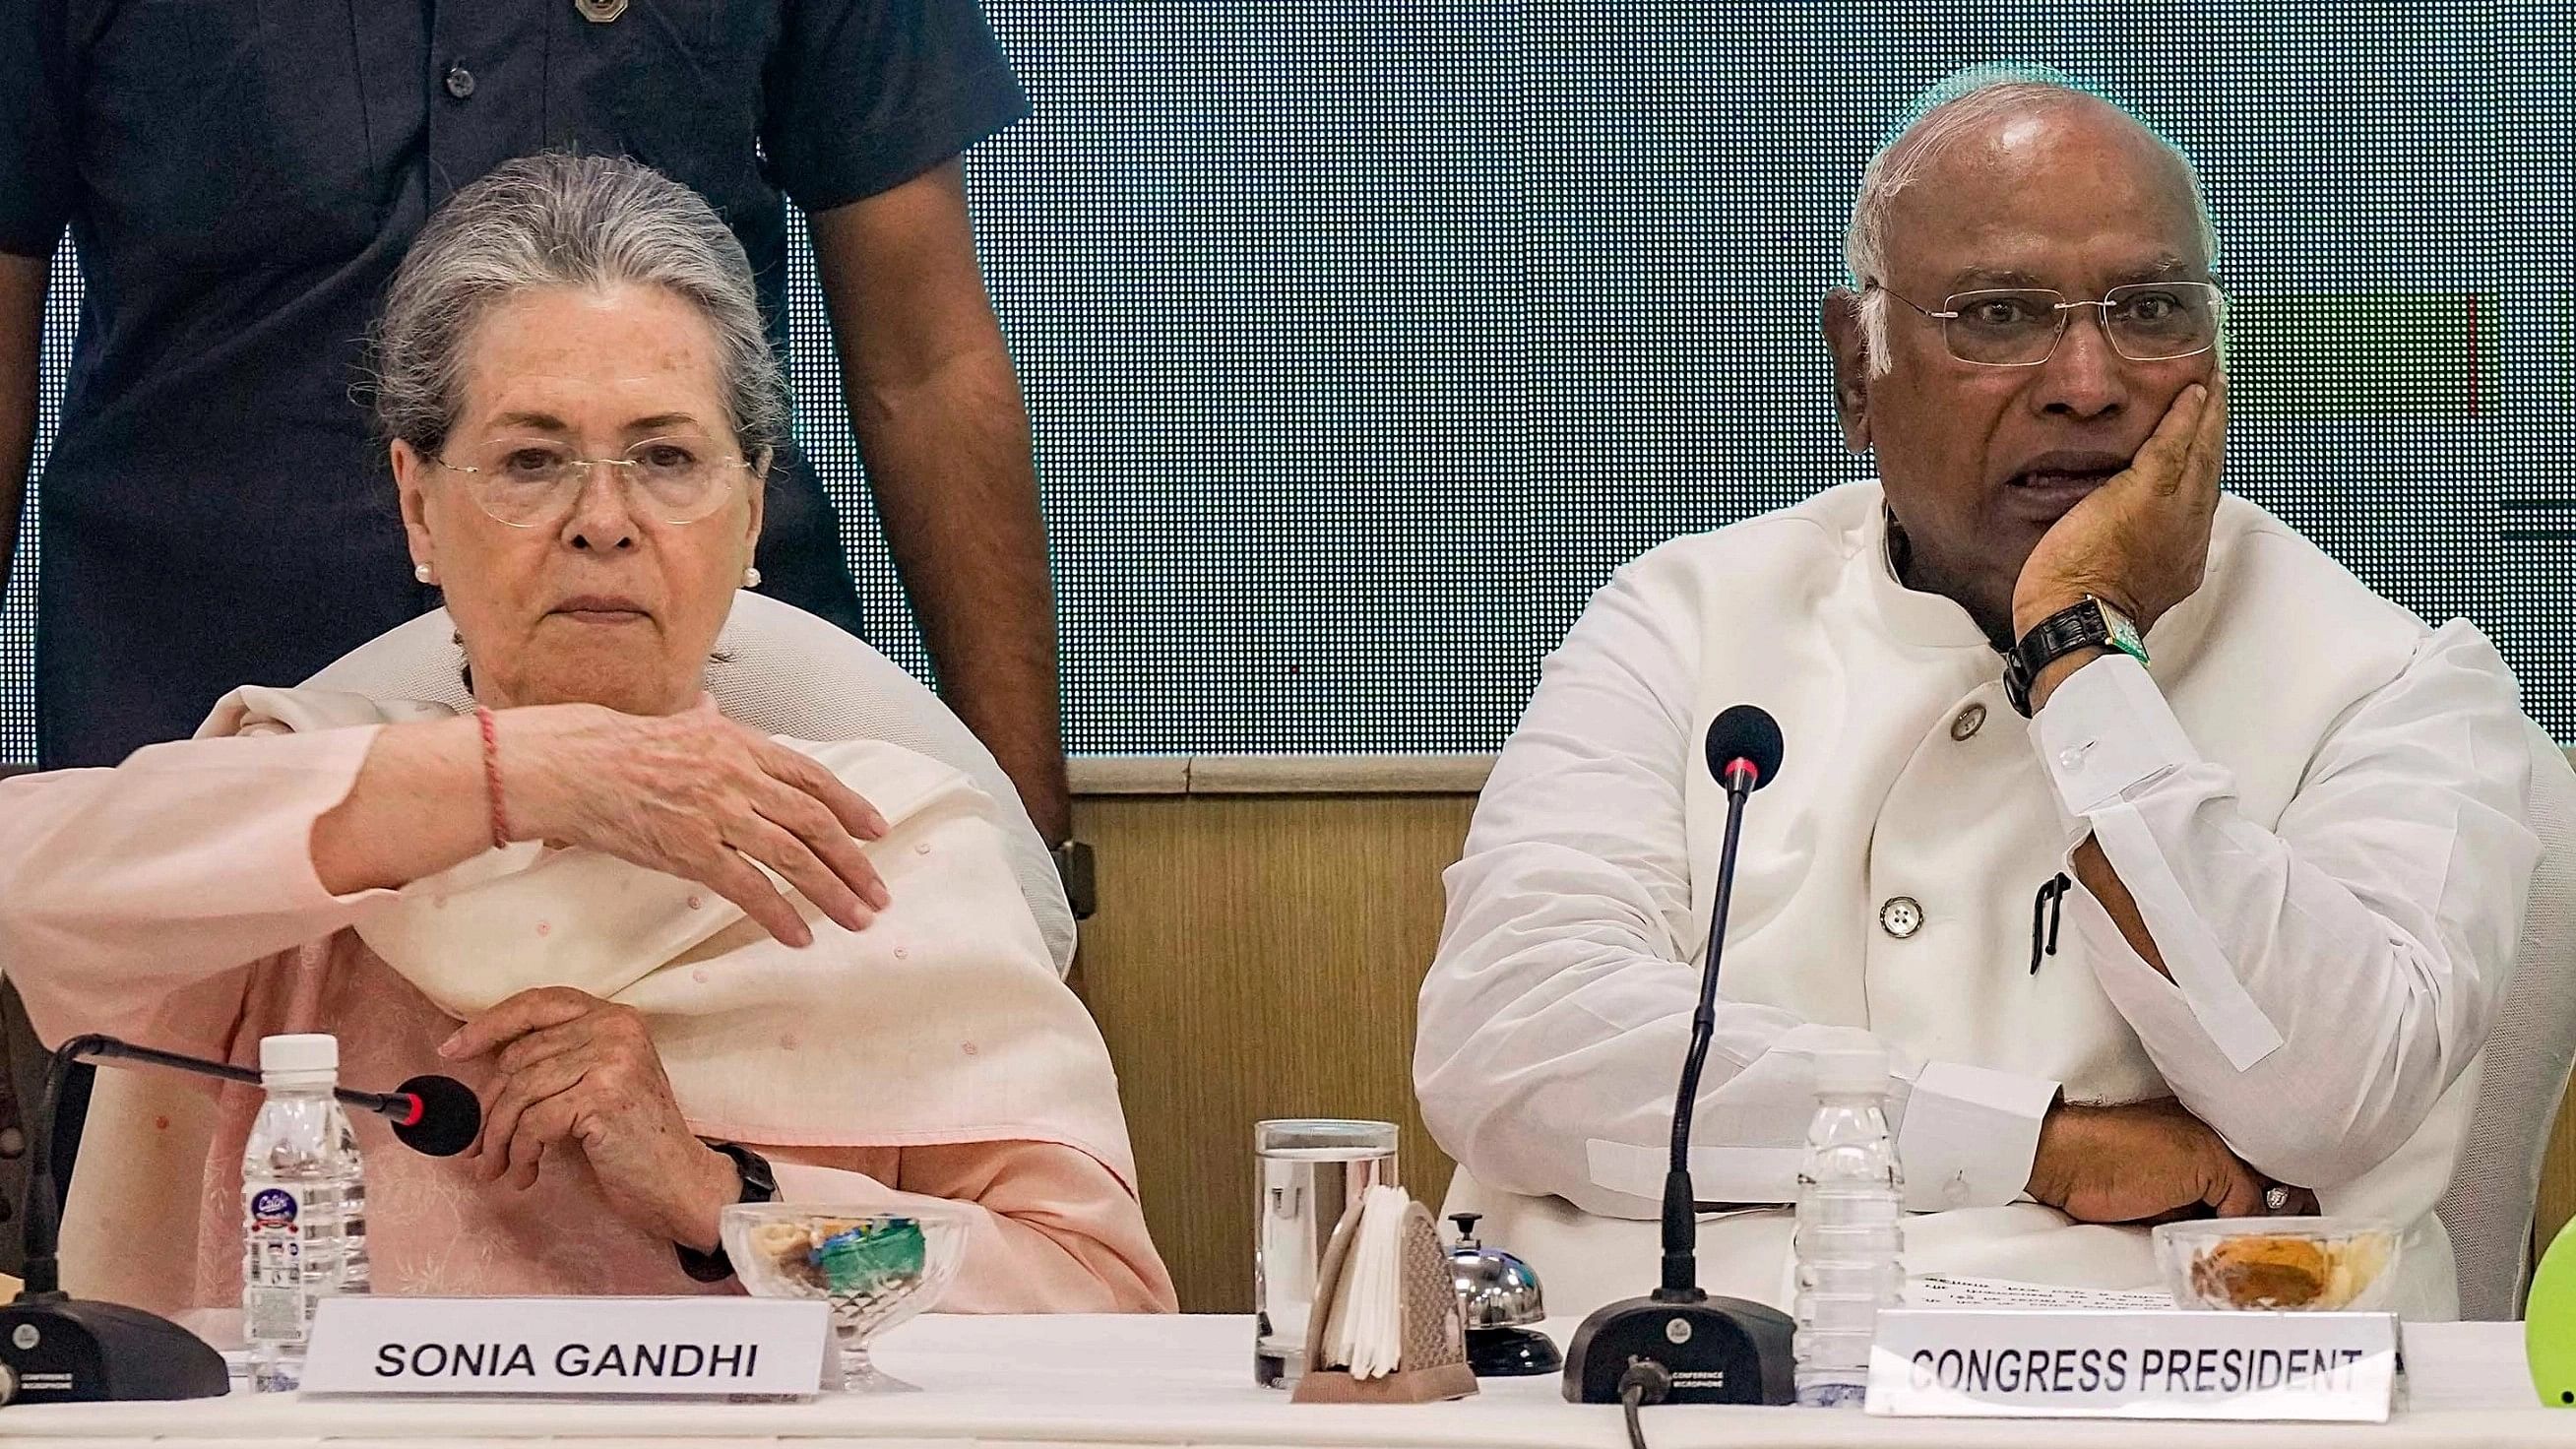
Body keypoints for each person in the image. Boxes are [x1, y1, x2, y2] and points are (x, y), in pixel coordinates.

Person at [1414, 68, 2541, 1320]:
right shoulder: (1683, 620)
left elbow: (2328, 1090)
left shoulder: (2394, 680)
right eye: (2000, 315)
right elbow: (1512, 1045)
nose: (2088, 382)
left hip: (2160, 1395)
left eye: (2150, 308)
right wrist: (2036, 1142)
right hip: (1677, 1385)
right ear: (1857, 370)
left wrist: (2078, 650)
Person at [0, 156, 1172, 1315]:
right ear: (419, 505)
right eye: (530, 460)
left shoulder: (885, 854)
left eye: (665, 457)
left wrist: (724, 1196)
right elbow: (28, 879)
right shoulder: (305, 806)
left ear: (752, 509)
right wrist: (519, 780)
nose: (601, 522)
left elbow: (1092, 1303)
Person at [0, 0, 1071, 854]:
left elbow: (926, 365)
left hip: (714, 724)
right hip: (204, 727)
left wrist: (1031, 865)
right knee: (227, 1118)